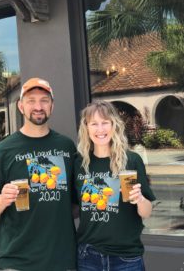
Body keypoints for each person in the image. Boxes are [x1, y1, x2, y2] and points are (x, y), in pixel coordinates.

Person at [0, 77, 77, 271]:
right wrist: (1, 200)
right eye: (31, 100)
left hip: (62, 260)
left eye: (44, 100)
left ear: (52, 105)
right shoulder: (3, 151)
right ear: (21, 106)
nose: (38, 106)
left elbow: (74, 204)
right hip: (18, 261)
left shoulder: (66, 147)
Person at [74, 100, 155, 271]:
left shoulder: (131, 160)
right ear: (86, 128)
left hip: (126, 258)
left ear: (114, 125)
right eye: (94, 124)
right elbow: (74, 207)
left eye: (105, 123)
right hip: (88, 256)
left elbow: (146, 212)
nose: (100, 129)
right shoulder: (79, 163)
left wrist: (139, 199)